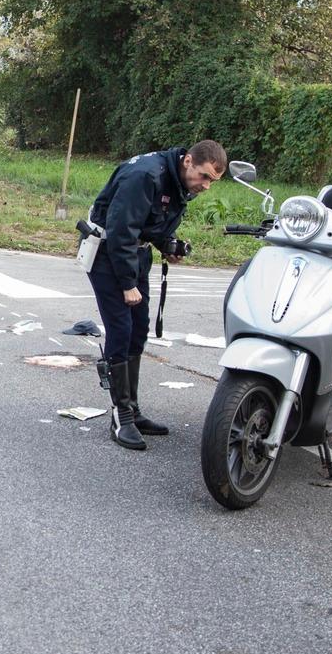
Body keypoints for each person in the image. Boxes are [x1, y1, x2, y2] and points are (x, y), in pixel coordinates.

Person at [86, 140, 227, 451]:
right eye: (203, 177)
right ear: (188, 160)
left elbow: (152, 222)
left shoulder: (178, 180)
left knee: (138, 330)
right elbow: (121, 228)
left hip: (135, 255)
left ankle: (132, 410)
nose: (205, 186)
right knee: (121, 329)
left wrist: (167, 243)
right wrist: (126, 283)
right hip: (109, 254)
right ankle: (120, 415)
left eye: (211, 182)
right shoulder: (145, 175)